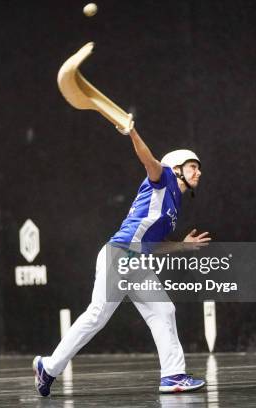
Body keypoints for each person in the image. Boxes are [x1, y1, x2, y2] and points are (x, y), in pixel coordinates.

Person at [33, 120, 211, 396]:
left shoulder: (173, 202)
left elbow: (154, 245)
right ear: (176, 168)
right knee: (96, 317)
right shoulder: (162, 177)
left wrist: (182, 246)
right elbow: (147, 159)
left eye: (198, 168)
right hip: (120, 255)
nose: (198, 171)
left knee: (164, 311)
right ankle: (49, 367)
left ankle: (173, 376)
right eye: (192, 166)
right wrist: (132, 132)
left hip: (137, 261)